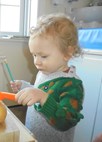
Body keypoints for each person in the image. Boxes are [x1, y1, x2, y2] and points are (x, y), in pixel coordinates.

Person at [10, 13, 84, 142]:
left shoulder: (72, 85)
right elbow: (41, 90)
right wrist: (25, 87)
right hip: (35, 134)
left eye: (43, 56)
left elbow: (66, 121)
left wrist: (42, 98)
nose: (36, 62)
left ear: (68, 53)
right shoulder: (45, 72)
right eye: (34, 55)